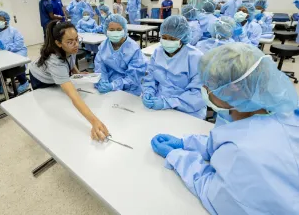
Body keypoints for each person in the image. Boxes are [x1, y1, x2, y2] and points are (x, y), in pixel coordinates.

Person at [151, 43, 299, 215]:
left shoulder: (243, 152)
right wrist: (186, 142)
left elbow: (217, 194)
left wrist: (179, 157)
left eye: (209, 86)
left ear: (231, 89)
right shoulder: (283, 114)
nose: (204, 90)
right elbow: (231, 140)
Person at [29, 21, 110, 141]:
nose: (76, 44)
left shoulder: (70, 48)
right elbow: (74, 97)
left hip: (56, 75)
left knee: (61, 100)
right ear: (58, 43)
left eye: (77, 39)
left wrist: (78, 73)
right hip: (41, 79)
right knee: (50, 106)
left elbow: (70, 62)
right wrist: (95, 122)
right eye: (70, 41)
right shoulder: (55, 61)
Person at [142, 16, 206, 119]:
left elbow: (198, 93)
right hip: (158, 103)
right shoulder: (158, 52)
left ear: (182, 38)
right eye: (164, 37)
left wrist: (169, 103)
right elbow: (150, 77)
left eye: (172, 39)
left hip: (187, 109)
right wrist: (148, 91)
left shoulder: (196, 57)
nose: (167, 41)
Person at [95, 14, 147, 96]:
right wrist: (103, 81)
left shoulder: (133, 48)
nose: (115, 32)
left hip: (129, 90)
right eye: (111, 30)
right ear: (106, 30)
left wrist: (114, 85)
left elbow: (134, 76)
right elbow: (100, 68)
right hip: (107, 88)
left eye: (119, 29)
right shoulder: (103, 47)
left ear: (124, 30)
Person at [0, 11, 29, 94]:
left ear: (6, 21)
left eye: (1, 20)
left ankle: (24, 82)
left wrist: (6, 47)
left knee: (16, 64)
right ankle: (1, 84)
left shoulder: (13, 31)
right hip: (1, 53)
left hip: (16, 51)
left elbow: (19, 44)